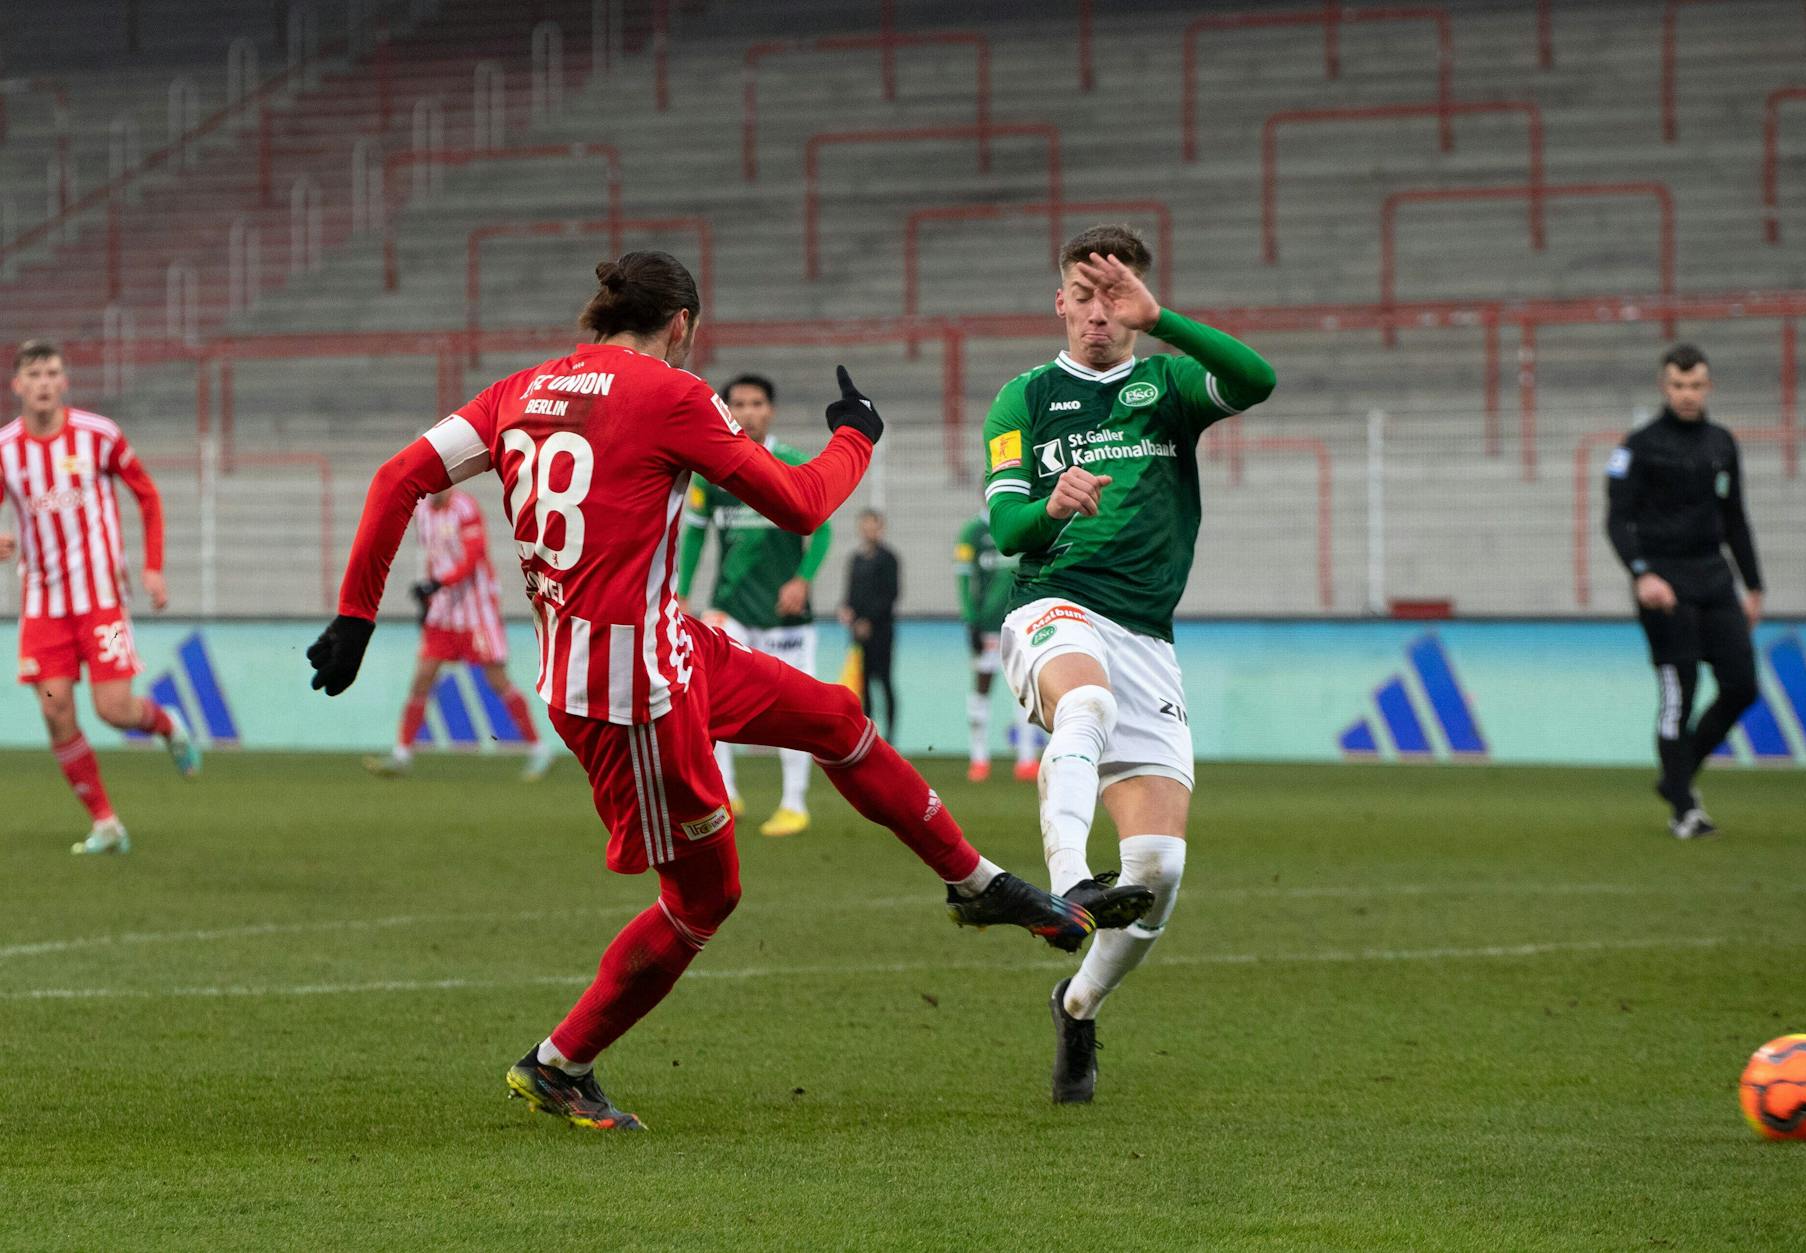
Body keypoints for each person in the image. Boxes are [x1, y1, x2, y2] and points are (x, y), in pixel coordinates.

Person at [307, 251, 1093, 1132]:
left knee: (836, 717)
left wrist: (355, 616)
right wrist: (856, 435)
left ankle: (974, 881)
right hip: (629, 692)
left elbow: (396, 478)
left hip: (666, 642)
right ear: (681, 324)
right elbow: (798, 504)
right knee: (704, 898)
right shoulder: (672, 394)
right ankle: (560, 1063)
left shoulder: (515, 392)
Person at [983, 224, 1277, 1103]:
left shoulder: (1169, 383)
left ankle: (1076, 1004)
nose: (1100, 312)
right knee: (1086, 707)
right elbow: (1006, 533)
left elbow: (1258, 380)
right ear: (1061, 303)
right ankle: (1069, 882)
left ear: (1137, 307)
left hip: (1147, 636)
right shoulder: (1026, 398)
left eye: (1118, 297)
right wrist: (1051, 507)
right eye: (1086, 293)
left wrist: (1170, 322)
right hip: (1052, 604)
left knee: (1158, 870)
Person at [1, 339, 200, 855]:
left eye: (52, 373)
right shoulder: (5, 450)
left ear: (64, 382)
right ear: (17, 385)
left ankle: (167, 723)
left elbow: (147, 494)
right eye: (34, 374)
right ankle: (106, 822)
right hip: (43, 606)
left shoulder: (99, 435)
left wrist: (152, 566)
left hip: (100, 600)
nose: (44, 383)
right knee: (54, 708)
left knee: (113, 709)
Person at [1605, 343, 1763, 839]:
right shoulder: (1638, 447)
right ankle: (1684, 810)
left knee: (1742, 687)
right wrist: (1641, 573)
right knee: (1682, 691)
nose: (1688, 394)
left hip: (1715, 579)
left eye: (1696, 385)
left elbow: (1734, 516)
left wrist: (1754, 584)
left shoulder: (1722, 443)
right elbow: (1617, 521)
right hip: (1664, 584)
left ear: (1708, 386)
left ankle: (1676, 778)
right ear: (1664, 386)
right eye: (1678, 385)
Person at [676, 373, 829, 837]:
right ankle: (725, 792)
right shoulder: (712, 473)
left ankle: (794, 803)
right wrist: (681, 591)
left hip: (784, 613)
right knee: (709, 701)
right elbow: (697, 533)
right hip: (729, 606)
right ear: (725, 410)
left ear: (771, 410)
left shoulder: (793, 464)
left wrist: (802, 579)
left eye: (757, 403)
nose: (747, 412)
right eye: (738, 403)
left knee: (796, 712)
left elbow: (821, 529)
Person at [364, 483, 554, 781]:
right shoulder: (423, 512)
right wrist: (429, 598)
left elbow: (472, 558)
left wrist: (439, 583)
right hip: (443, 610)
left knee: (498, 681)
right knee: (422, 677)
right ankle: (401, 754)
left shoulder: (465, 508)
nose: (432, 489)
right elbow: (432, 557)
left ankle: (539, 749)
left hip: (476, 609)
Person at [956, 508, 1039, 782]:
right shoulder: (973, 533)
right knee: (982, 687)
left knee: (1026, 691)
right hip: (988, 626)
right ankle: (979, 758)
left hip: (1022, 623)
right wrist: (970, 620)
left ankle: (1027, 760)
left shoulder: (1019, 524)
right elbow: (964, 579)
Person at [839, 509, 899, 743]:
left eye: (873, 525)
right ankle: (867, 734)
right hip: (857, 632)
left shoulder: (889, 558)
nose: (868, 530)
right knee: (862, 683)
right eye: (865, 525)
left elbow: (891, 594)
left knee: (884, 680)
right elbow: (851, 593)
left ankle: (891, 737)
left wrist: (869, 620)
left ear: (880, 528)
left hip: (881, 630)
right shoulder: (855, 558)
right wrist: (846, 609)